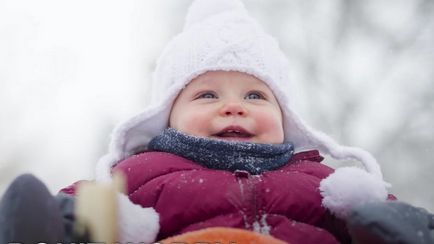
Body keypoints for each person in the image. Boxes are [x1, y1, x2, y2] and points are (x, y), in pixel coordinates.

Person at [1, 0, 433, 243]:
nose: (234, 107)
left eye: (255, 95)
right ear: (168, 115)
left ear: (286, 115)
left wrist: (397, 224)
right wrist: (67, 216)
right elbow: (98, 206)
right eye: (207, 94)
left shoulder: (319, 180)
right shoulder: (143, 172)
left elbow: (372, 218)